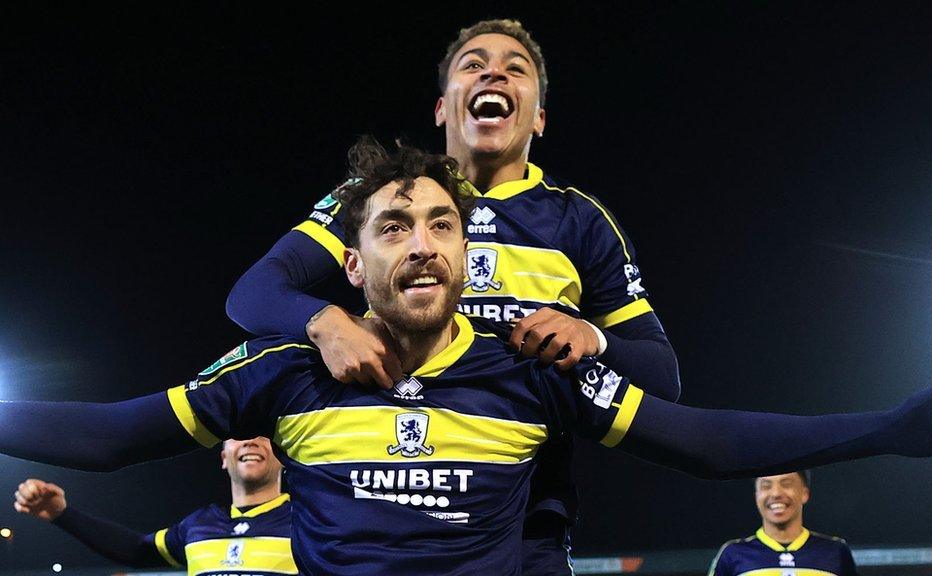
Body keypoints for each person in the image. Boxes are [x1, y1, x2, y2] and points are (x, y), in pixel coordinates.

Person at [0, 140, 932, 576]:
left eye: (444, 224)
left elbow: (703, 439)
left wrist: (894, 429)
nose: (423, 241)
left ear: (465, 250)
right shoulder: (279, 365)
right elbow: (104, 437)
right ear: (350, 258)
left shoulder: (529, 366)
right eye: (396, 224)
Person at [225, 19, 681, 573]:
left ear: (538, 115)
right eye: (473, 64)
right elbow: (252, 295)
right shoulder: (383, 196)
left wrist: (592, 336)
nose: (494, 71)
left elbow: (662, 377)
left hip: (526, 523)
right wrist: (326, 322)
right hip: (369, 513)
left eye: (517, 68)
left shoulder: (580, 221)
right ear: (443, 108)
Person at [13, 437, 296, 575]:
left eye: (262, 433)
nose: (249, 441)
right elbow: (137, 551)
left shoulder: (311, 521)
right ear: (224, 457)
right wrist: (63, 514)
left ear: (284, 455)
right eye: (238, 433)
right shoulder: (199, 526)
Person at [708, 471, 859, 576]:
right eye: (766, 486)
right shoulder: (732, 554)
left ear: (804, 493)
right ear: (756, 496)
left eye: (786, 484)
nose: (776, 493)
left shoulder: (836, 552)